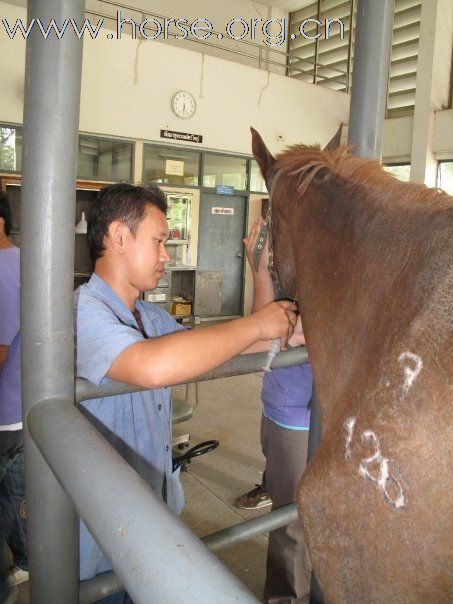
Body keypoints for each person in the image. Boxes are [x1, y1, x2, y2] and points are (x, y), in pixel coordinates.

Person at [75, 183, 300, 603]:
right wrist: (258, 325)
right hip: (103, 536)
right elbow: (152, 366)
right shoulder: (83, 313)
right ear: (118, 236)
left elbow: (219, 347)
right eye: (159, 241)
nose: (166, 254)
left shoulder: (147, 315)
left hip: (150, 517)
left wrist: (264, 285)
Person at [236, 217, 312, 604]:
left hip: (304, 415)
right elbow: (261, 331)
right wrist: (260, 270)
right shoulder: (291, 265)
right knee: (290, 519)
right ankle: (287, 596)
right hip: (284, 410)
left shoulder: (329, 263)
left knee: (293, 521)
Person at [0, 192, 28, 604]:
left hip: (3, 414)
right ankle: (24, 562)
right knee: (16, 495)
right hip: (24, 406)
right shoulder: (24, 259)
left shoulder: (2, 269)